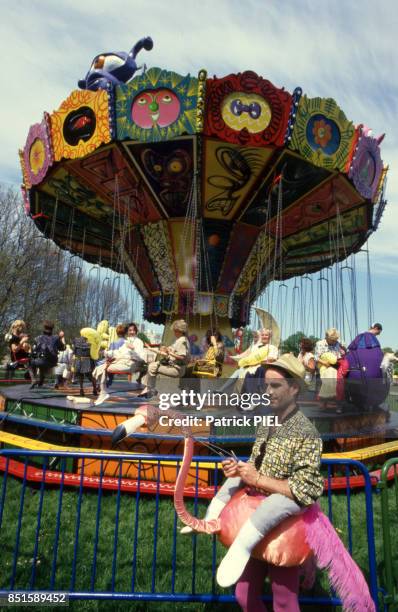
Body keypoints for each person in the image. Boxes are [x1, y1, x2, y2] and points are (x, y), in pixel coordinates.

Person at [183, 354, 323, 609]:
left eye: (276, 386)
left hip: (284, 527)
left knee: (284, 600)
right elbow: (259, 463)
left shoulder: (306, 433)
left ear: (294, 389)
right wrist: (240, 469)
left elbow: (306, 489)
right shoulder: (266, 422)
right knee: (244, 595)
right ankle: (209, 521)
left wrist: (257, 478)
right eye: (266, 385)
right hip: (252, 513)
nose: (268, 391)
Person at [93, 329, 148, 405]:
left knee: (104, 368)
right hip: (121, 361)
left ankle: (103, 391)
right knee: (100, 368)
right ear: (127, 332)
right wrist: (105, 352)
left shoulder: (139, 342)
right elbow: (117, 353)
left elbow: (142, 357)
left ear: (136, 331)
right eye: (130, 330)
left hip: (131, 363)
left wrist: (133, 349)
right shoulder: (125, 343)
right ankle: (103, 392)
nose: (132, 332)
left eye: (133, 330)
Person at [138, 319, 190, 398]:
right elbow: (166, 354)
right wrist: (151, 349)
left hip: (177, 369)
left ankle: (150, 389)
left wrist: (170, 352)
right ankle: (149, 388)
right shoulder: (178, 340)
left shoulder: (182, 341)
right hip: (174, 366)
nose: (174, 333)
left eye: (175, 331)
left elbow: (182, 357)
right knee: (152, 366)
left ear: (179, 331)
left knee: (152, 367)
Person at [220, 328, 278, 395]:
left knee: (244, 373)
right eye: (263, 335)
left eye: (266, 335)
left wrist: (256, 362)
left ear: (270, 336)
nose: (264, 337)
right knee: (239, 371)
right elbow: (248, 356)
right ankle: (222, 390)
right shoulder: (255, 347)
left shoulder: (272, 347)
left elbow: (272, 359)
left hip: (260, 369)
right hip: (249, 368)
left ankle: (247, 395)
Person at [345, 323, 386, 408]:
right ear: (376, 328)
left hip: (355, 374)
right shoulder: (374, 343)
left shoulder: (359, 338)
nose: (377, 335)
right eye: (378, 333)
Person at [29, 321, 65, 388]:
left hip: (41, 360)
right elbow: (63, 348)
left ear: (44, 328)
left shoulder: (37, 338)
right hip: (52, 361)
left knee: (31, 363)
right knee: (42, 365)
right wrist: (62, 338)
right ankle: (40, 383)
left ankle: (33, 380)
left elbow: (34, 351)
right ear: (52, 328)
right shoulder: (56, 338)